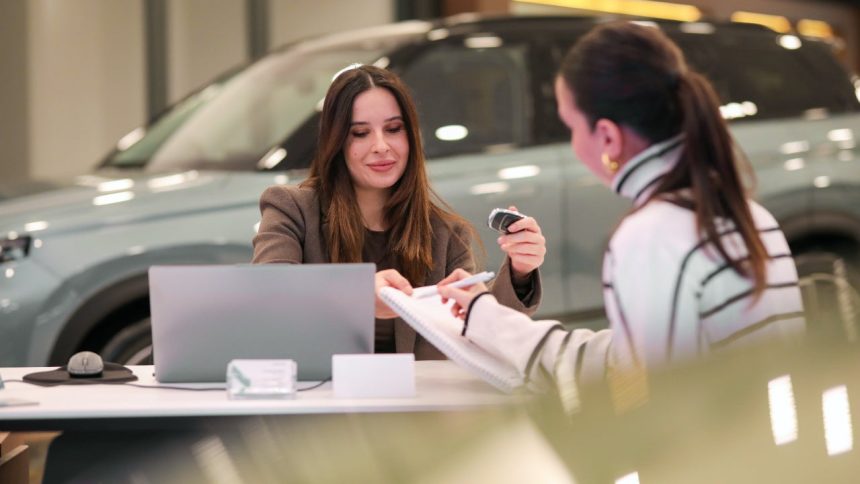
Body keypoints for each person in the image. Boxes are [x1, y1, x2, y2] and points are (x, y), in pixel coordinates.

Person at [433, 22, 805, 401]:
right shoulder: (751, 216)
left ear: (608, 137)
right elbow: (632, 358)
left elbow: (643, 393)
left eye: (572, 127)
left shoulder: (652, 234)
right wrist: (488, 317)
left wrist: (490, 320)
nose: (573, 144)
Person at [252, 64, 545, 359]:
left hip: (417, 389)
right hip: (321, 387)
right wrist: (357, 295)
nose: (381, 146)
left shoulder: (446, 234)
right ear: (336, 142)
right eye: (360, 133)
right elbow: (268, 294)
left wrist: (520, 272)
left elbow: (480, 337)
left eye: (393, 129)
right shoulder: (292, 208)